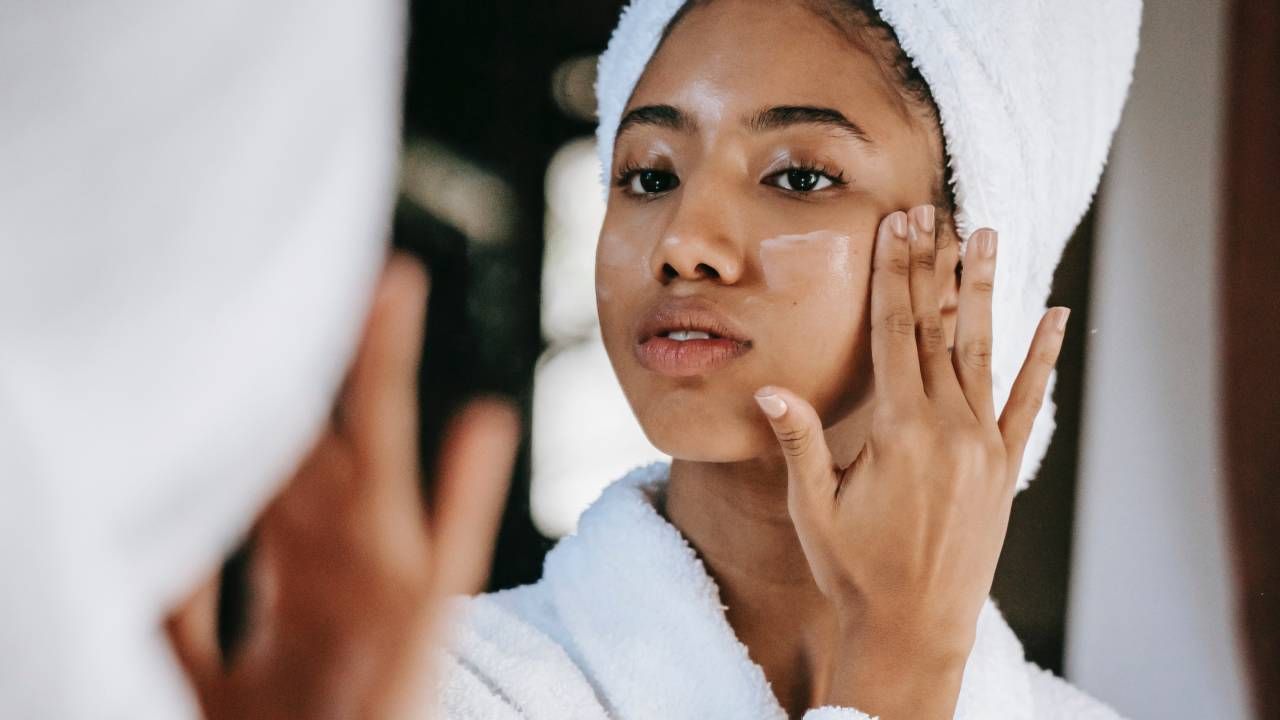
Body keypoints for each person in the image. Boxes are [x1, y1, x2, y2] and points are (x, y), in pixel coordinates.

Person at [437, 0, 1139, 718]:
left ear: (967, 258)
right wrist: (901, 674)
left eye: (799, 177)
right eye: (650, 176)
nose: (681, 244)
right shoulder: (434, 689)